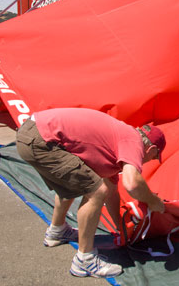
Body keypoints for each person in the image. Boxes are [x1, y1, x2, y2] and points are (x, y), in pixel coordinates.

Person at [16, 108, 166, 279]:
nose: (148, 161)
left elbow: (111, 191)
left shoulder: (118, 139)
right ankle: (85, 260)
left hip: (32, 133)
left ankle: (57, 231)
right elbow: (132, 184)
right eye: (154, 157)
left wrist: (121, 229)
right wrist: (153, 201)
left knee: (76, 182)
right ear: (151, 148)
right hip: (41, 140)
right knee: (95, 192)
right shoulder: (133, 141)